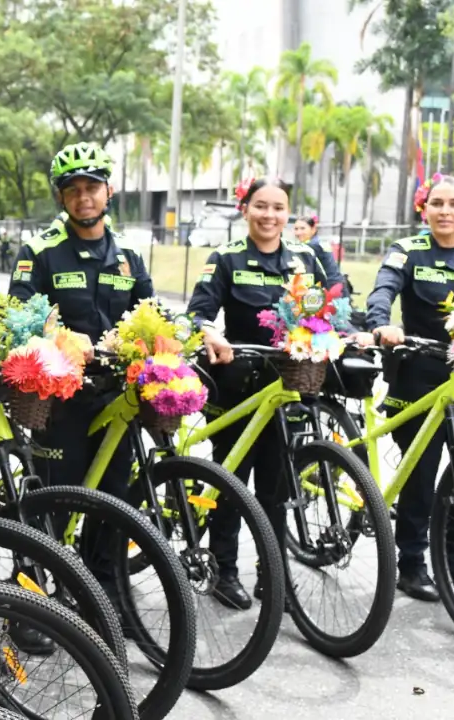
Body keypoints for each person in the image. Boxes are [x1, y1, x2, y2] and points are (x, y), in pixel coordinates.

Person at [9, 142, 153, 599]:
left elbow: (148, 313)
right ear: (61, 197)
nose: (83, 197)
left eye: (92, 187)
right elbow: (19, 318)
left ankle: (105, 596)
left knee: (113, 501)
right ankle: (34, 597)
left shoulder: (129, 253)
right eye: (72, 189)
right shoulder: (40, 250)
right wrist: (64, 340)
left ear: (109, 191)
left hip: (116, 400)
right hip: (60, 401)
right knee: (53, 502)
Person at [188, 177, 329, 610]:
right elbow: (199, 310)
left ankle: (273, 574)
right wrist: (210, 331)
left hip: (290, 387)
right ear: (245, 209)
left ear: (289, 213)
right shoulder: (227, 257)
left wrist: (346, 329)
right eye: (261, 206)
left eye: (279, 208)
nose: (270, 215)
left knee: (277, 487)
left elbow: (331, 305)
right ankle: (223, 570)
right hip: (239, 388)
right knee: (232, 484)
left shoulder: (306, 257)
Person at [366, 174, 454, 603]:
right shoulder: (408, 250)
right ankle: (413, 564)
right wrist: (382, 322)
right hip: (419, 372)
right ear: (425, 210)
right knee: (420, 474)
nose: (445, 211)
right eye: (437, 203)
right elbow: (383, 288)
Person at [292, 213, 347, 295]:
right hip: (337, 286)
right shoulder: (318, 242)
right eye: (296, 229)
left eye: (302, 228)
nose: (298, 232)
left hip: (331, 291)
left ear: (313, 229)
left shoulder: (312, 246)